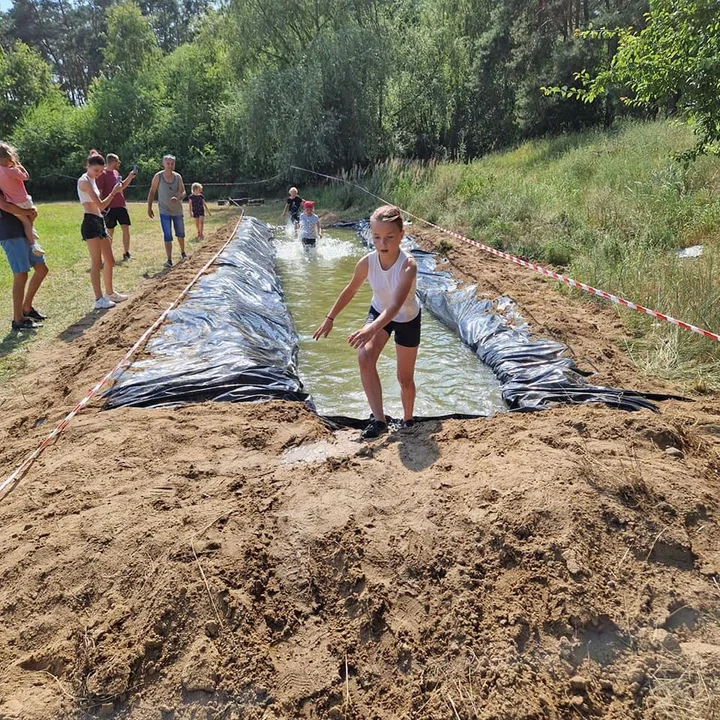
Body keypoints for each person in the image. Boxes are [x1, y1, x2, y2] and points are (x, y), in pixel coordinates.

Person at [313, 205, 420, 439]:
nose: (382, 243)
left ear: (402, 236)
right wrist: (330, 318)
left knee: (404, 377)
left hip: (406, 318)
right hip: (378, 311)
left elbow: (395, 306)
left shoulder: (408, 265)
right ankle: (379, 419)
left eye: (389, 237)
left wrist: (370, 328)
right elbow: (350, 290)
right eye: (377, 237)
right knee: (364, 356)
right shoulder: (367, 262)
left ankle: (408, 419)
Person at [78, 150, 128, 310]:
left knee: (110, 260)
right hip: (91, 222)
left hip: (99, 221)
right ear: (87, 166)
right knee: (96, 262)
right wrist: (114, 192)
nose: (99, 174)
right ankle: (99, 299)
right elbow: (100, 204)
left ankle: (110, 293)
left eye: (100, 170)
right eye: (96, 170)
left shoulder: (92, 179)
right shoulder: (84, 181)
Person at [0, 189, 49, 331]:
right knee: (21, 274)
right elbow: (5, 206)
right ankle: (18, 320)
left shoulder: (7, 180)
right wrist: (28, 212)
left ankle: (26, 308)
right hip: (10, 234)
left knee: (41, 269)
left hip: (24, 231)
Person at [0, 142, 44, 257]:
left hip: (13, 203)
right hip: (24, 201)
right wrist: (18, 165)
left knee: (25, 221)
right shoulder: (12, 171)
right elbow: (26, 176)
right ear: (9, 157)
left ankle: (32, 233)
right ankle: (34, 244)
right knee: (32, 215)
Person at [147, 154, 187, 267]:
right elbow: (152, 192)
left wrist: (178, 198)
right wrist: (149, 207)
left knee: (180, 233)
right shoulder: (158, 177)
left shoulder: (178, 177)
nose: (170, 165)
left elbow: (183, 192)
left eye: (172, 163)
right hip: (164, 210)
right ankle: (169, 259)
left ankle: (183, 252)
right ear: (163, 164)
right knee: (167, 234)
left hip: (177, 211)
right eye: (168, 163)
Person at [96, 153, 136, 261]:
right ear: (113, 162)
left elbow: (121, 186)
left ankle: (126, 253)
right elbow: (99, 192)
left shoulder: (116, 172)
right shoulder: (102, 174)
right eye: (118, 161)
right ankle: (107, 255)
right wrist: (101, 207)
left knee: (126, 229)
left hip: (121, 206)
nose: (119, 163)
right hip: (109, 208)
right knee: (110, 232)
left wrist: (130, 176)